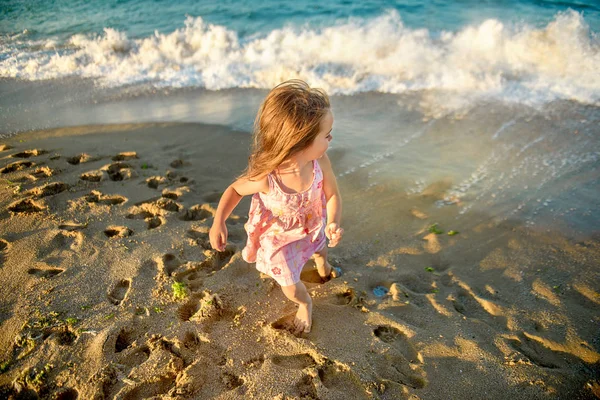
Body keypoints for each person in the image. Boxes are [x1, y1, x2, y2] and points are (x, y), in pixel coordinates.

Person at [209, 79, 343, 335]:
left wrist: (334, 221)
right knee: (290, 283)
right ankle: (305, 303)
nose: (331, 139)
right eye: (326, 136)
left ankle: (324, 268)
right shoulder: (267, 177)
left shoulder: (320, 162)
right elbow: (235, 189)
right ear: (301, 142)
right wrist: (219, 221)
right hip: (280, 239)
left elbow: (333, 194)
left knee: (320, 250)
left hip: (312, 225)